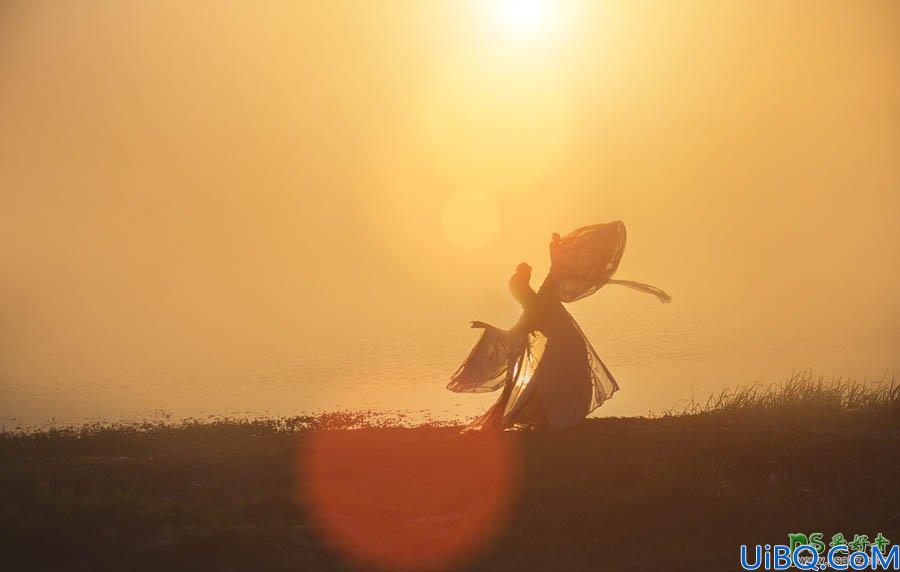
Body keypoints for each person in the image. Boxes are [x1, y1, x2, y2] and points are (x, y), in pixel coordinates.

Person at [448, 222, 670, 431]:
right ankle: (554, 416)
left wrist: (554, 250)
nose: (527, 282)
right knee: (552, 378)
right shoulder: (536, 306)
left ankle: (558, 416)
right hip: (565, 345)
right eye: (525, 282)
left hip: (568, 343)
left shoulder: (541, 299)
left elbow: (553, 274)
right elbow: (516, 331)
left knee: (557, 378)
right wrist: (553, 250)